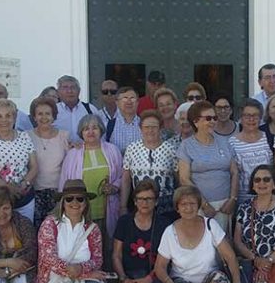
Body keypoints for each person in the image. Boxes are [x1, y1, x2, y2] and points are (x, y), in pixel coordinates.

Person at [153, 186, 243, 283]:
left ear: (199, 205)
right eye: (183, 204)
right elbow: (160, 266)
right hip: (182, 280)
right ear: (177, 208)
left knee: (221, 282)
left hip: (208, 279)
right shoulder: (170, 231)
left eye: (192, 204)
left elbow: (230, 256)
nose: (188, 208)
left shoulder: (210, 225)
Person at [36, 179, 107, 283]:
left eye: (80, 198)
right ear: (62, 202)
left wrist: (81, 269)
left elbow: (97, 259)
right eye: (69, 198)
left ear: (86, 202)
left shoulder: (92, 229)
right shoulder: (50, 224)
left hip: (79, 282)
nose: (75, 202)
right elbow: (48, 259)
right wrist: (79, 271)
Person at [113, 180, 171, 283]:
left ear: (156, 201)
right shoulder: (124, 222)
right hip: (130, 278)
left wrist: (149, 279)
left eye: (149, 199)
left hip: (154, 276)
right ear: (135, 201)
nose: (144, 203)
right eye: (140, 199)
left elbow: (165, 259)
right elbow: (116, 255)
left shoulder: (163, 224)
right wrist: (123, 279)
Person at [60, 114, 122, 246]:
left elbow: (122, 176)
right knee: (85, 247)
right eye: (86, 128)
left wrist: (114, 186)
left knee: (108, 247)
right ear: (81, 133)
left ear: (101, 130)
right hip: (81, 210)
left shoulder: (113, 150)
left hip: (108, 209)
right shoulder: (72, 154)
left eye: (95, 128)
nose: (91, 131)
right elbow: (64, 183)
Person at [177, 100, 238, 233]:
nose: (213, 121)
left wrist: (233, 199)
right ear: (196, 121)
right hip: (198, 206)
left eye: (214, 118)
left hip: (224, 206)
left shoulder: (225, 143)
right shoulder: (186, 146)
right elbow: (184, 179)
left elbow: (234, 172)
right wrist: (204, 204)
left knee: (222, 248)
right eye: (208, 118)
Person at [121, 110, 176, 217]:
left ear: (160, 128)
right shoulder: (132, 149)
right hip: (140, 203)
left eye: (154, 127)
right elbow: (126, 180)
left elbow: (178, 179)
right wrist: (123, 206)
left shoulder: (171, 149)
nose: (150, 130)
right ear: (141, 128)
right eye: (146, 127)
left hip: (165, 205)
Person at [26, 97, 70, 227]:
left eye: (48, 114)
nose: (44, 117)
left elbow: (71, 163)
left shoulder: (64, 136)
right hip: (34, 192)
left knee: (57, 229)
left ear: (53, 116)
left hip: (58, 192)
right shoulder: (26, 136)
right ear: (34, 117)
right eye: (40, 114)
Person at [229, 99, 272, 207]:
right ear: (241, 118)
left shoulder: (269, 138)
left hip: (268, 198)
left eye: (255, 115)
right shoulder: (231, 142)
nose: (251, 119)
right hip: (243, 200)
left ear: (260, 118)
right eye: (247, 115)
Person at [54, 75, 98, 141]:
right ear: (58, 92)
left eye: (73, 87)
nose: (69, 91)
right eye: (65, 87)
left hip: (85, 150)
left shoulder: (90, 109)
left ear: (79, 91)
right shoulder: (53, 110)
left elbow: (100, 133)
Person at [107, 86, 142, 154]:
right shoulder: (108, 125)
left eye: (132, 98)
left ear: (137, 102)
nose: (129, 101)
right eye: (125, 98)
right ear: (117, 102)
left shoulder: (145, 124)